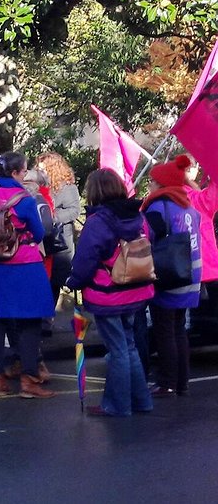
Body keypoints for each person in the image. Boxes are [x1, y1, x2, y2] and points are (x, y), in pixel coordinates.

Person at [66, 168, 154, 417]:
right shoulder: (139, 217)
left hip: (108, 293)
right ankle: (141, 401)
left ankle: (117, 405)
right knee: (129, 346)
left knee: (118, 350)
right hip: (138, 289)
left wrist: (74, 281)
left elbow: (85, 259)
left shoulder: (99, 222)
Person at [0, 152, 54, 399]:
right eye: (24, 171)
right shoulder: (24, 200)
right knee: (29, 323)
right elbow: (38, 234)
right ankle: (28, 380)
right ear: (16, 173)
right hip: (23, 266)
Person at [143, 155, 203, 397]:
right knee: (179, 329)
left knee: (164, 330)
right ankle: (182, 381)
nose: (149, 186)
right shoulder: (188, 206)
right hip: (191, 274)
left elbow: (146, 238)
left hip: (169, 275)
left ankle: (167, 382)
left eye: (152, 182)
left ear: (161, 184)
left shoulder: (159, 206)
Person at [38, 152, 81, 311]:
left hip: (59, 240)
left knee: (55, 281)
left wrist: (50, 216)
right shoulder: (37, 187)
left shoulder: (67, 188)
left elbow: (74, 211)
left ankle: (47, 319)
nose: (39, 171)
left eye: (43, 169)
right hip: (41, 239)